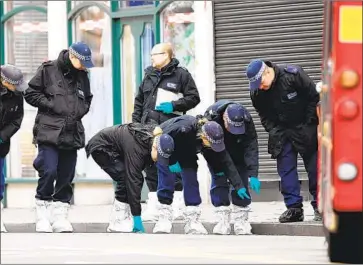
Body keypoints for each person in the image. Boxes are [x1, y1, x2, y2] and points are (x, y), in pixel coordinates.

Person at [24, 42, 94, 233]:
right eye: (83, 62)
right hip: (49, 129)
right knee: (49, 170)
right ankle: (43, 212)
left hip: (72, 131)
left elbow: (87, 98)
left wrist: (80, 110)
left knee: (66, 174)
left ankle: (60, 214)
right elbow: (30, 93)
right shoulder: (48, 70)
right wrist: (50, 104)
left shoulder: (82, 75)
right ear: (73, 57)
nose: (85, 66)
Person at [247, 59, 322, 223]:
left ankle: (320, 206)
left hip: (304, 127)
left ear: (267, 72)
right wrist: (273, 130)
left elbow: (314, 97)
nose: (260, 86)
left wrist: (309, 124)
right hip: (281, 132)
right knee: (286, 170)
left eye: (261, 82)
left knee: (315, 168)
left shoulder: (293, 76)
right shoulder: (257, 93)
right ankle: (294, 209)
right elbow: (263, 115)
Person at [132, 42, 200, 221]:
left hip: (171, 128)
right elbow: (139, 102)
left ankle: (176, 204)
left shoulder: (181, 75)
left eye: (155, 54)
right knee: (151, 165)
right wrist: (136, 126)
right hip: (148, 128)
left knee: (172, 164)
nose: (152, 58)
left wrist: (174, 105)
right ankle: (154, 204)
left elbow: (194, 98)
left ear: (166, 55)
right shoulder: (149, 75)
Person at [153, 115, 249, 235]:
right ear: (204, 136)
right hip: (167, 148)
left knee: (191, 178)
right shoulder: (183, 128)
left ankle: (192, 220)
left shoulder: (213, 135)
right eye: (211, 144)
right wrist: (171, 161)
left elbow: (226, 161)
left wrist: (238, 185)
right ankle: (164, 218)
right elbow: (160, 136)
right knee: (167, 178)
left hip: (188, 151)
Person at [85, 123, 174, 233]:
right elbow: (133, 180)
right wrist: (137, 217)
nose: (158, 161)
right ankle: (117, 220)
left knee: (134, 178)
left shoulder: (156, 140)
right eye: (158, 157)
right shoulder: (137, 149)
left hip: (117, 147)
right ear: (155, 148)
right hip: (101, 147)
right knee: (125, 178)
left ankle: (123, 216)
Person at [204, 100, 260, 235]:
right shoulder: (212, 118)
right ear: (224, 118)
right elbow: (224, 160)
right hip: (217, 151)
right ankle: (222, 219)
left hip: (238, 149)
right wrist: (237, 184)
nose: (235, 131)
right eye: (232, 127)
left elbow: (251, 145)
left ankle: (241, 219)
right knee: (219, 179)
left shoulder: (245, 118)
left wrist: (253, 173)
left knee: (242, 178)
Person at [0, 64, 26, 233]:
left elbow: (17, 119)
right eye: (13, 84)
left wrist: (2, 136)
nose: (17, 87)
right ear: (4, 81)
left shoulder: (17, 95)